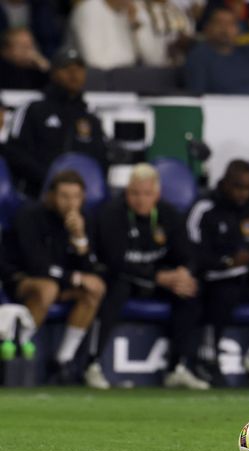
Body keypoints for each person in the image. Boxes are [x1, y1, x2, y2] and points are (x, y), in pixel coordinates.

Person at [88, 163, 206, 389]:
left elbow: (188, 253)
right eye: (134, 193)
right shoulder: (112, 215)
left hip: (158, 279)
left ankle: (177, 367)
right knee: (116, 289)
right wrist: (159, 277)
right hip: (123, 278)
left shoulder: (169, 214)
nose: (140, 200)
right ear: (126, 192)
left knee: (189, 291)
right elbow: (116, 262)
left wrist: (183, 272)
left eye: (147, 194)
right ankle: (93, 364)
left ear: (157, 194)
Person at [1, 171, 106, 381]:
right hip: (20, 280)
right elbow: (37, 266)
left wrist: (80, 239)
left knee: (96, 288)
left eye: (76, 197)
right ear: (50, 196)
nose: (70, 203)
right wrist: (75, 278)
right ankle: (18, 350)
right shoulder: (29, 215)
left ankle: (63, 359)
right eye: (64, 196)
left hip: (61, 283)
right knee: (47, 288)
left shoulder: (85, 220)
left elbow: (92, 269)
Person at [186, 160, 249, 386]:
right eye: (238, 187)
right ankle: (208, 358)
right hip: (215, 278)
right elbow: (193, 253)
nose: (244, 193)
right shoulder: (205, 208)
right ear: (224, 184)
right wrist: (227, 262)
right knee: (222, 293)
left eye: (248, 188)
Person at [4, 48, 107, 198]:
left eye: (79, 69)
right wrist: (50, 179)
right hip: (36, 197)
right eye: (67, 68)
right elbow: (14, 153)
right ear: (53, 73)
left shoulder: (91, 118)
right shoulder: (33, 109)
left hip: (81, 200)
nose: (74, 74)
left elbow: (101, 162)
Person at [184, 6, 249, 95]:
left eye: (230, 24)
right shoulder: (198, 57)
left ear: (238, 29)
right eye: (219, 23)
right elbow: (197, 97)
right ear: (207, 28)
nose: (225, 29)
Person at [69, 0, 138, 70]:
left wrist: (134, 23)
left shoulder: (125, 12)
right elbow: (93, 60)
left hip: (124, 72)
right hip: (101, 75)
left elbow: (144, 56)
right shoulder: (90, 9)